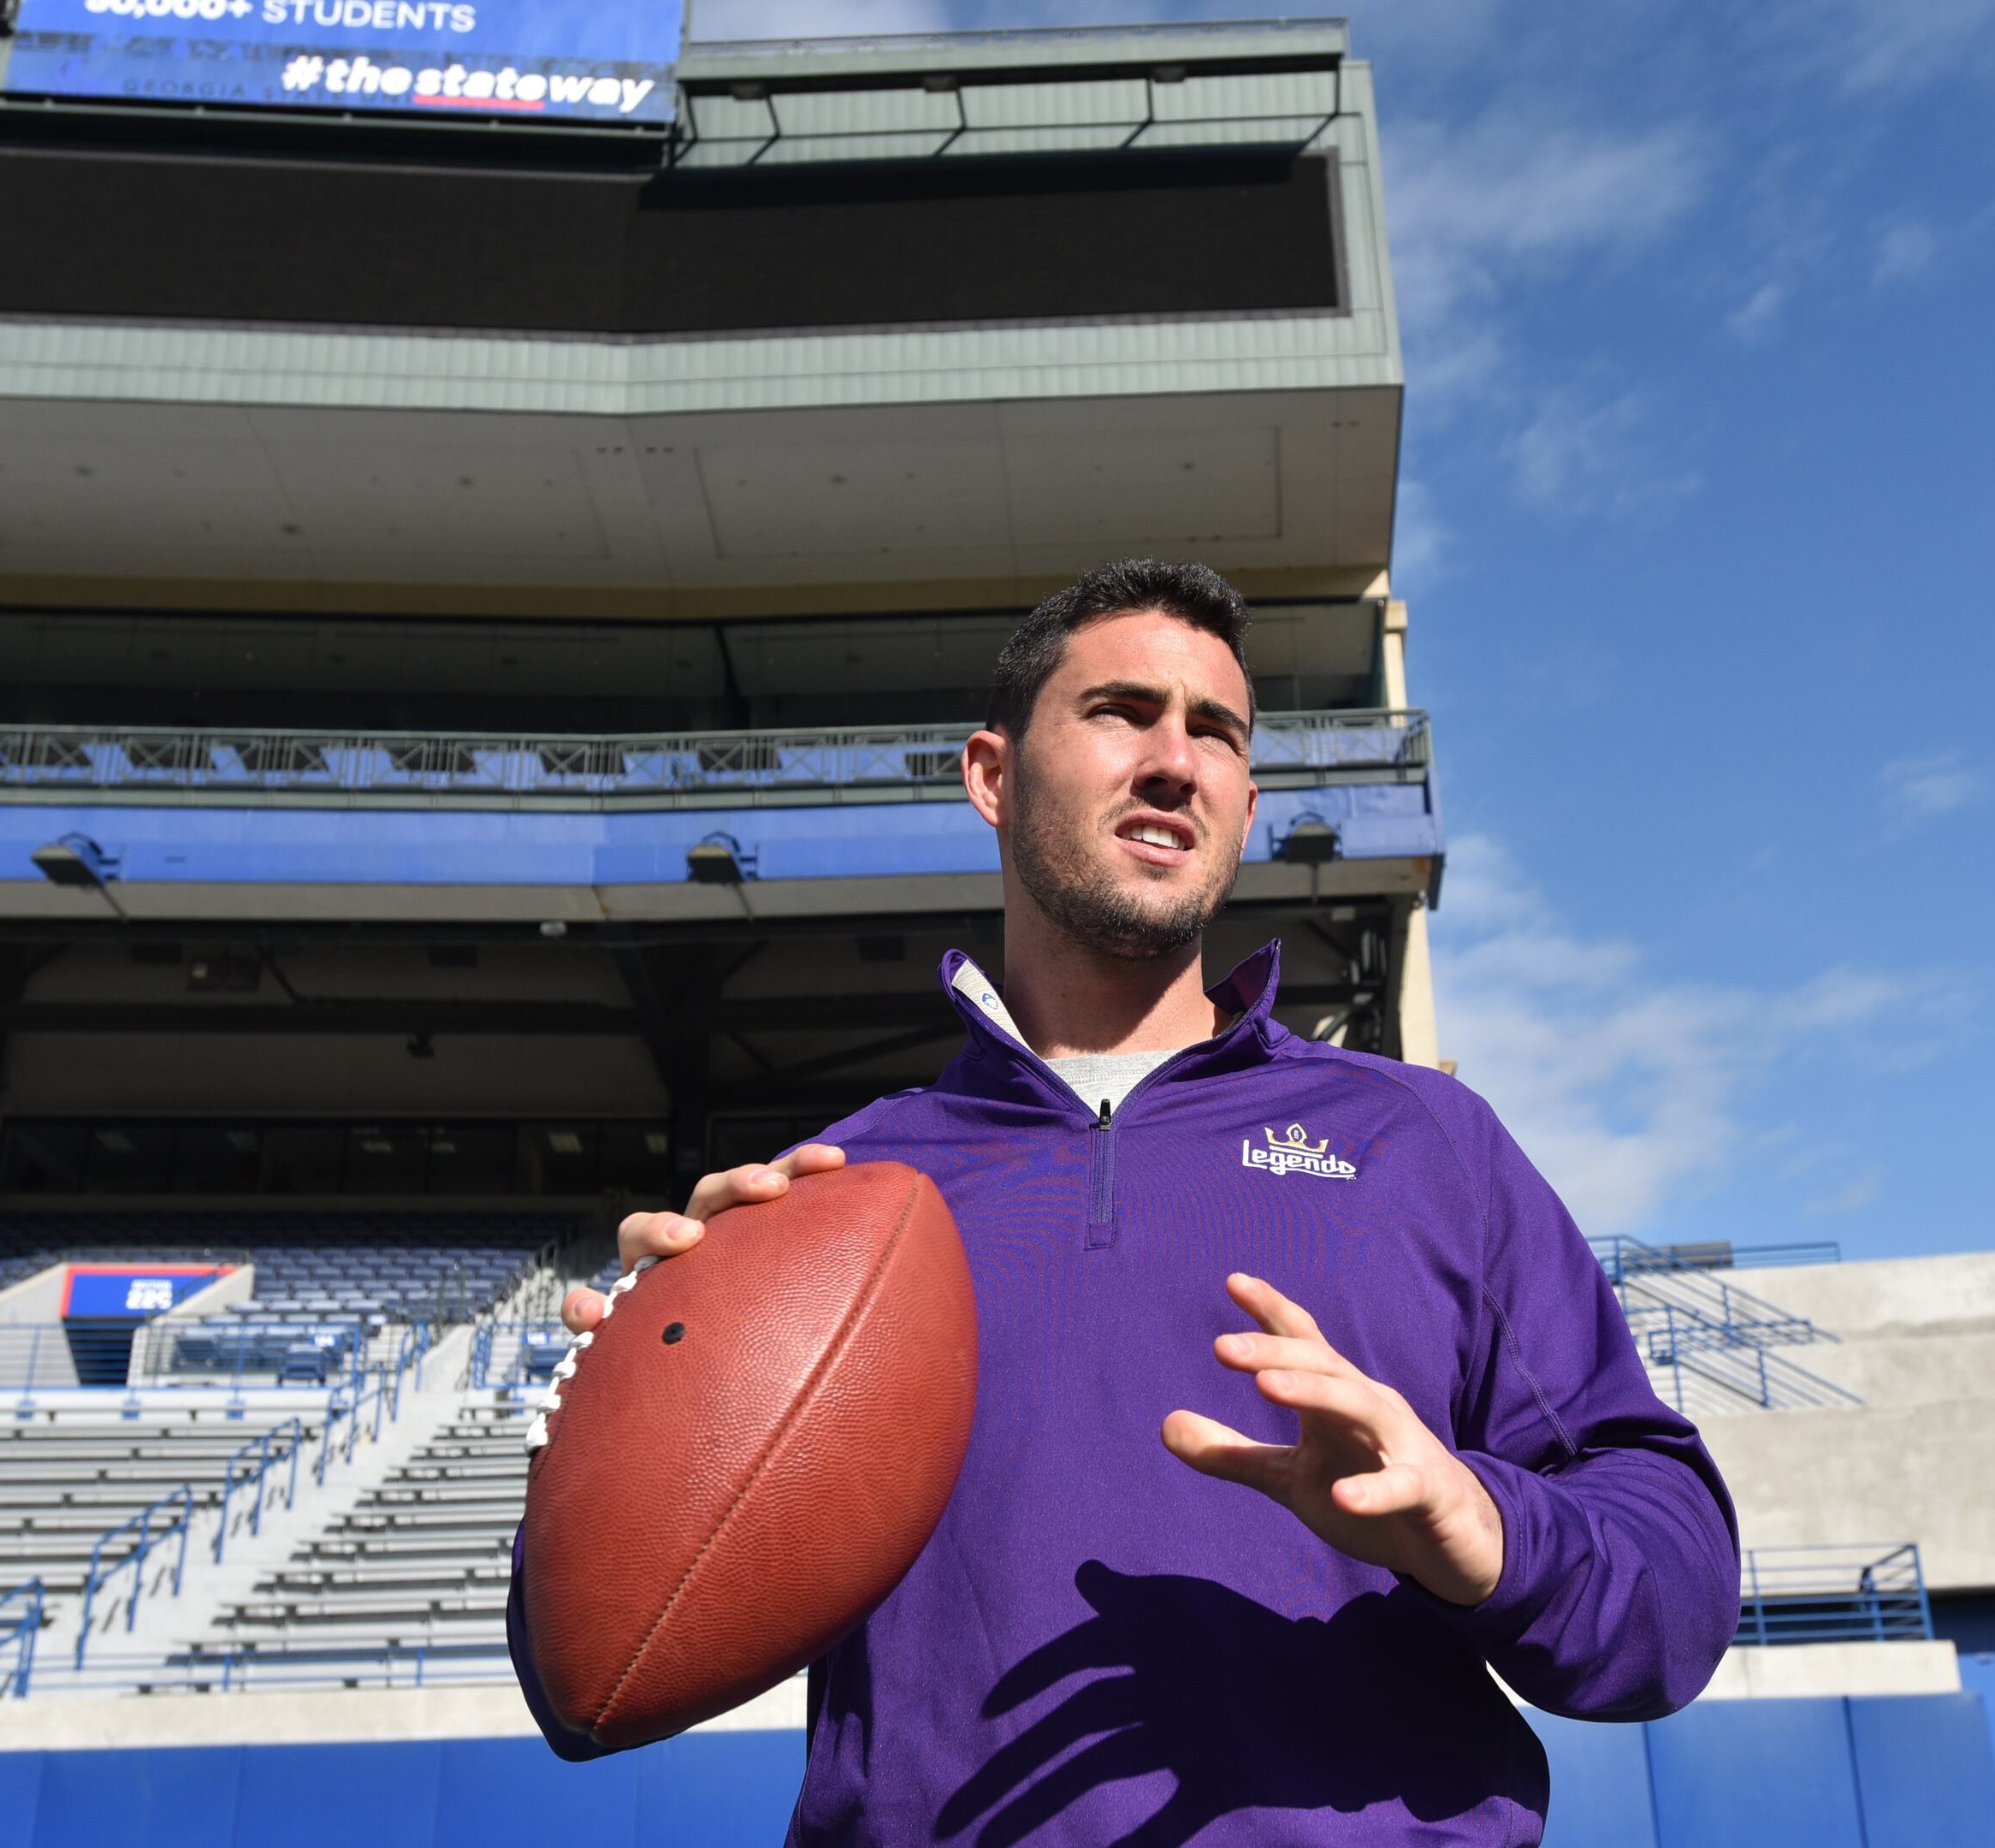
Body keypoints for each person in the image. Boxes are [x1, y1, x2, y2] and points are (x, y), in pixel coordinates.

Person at [510, 559, 1740, 1846]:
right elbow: (581, 1680)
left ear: (1246, 799)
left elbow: (1674, 1596)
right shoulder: (834, 1197)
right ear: (993, 775)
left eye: (1216, 733)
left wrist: (1481, 1527)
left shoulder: (1425, 1143)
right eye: (1122, 713)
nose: (1176, 761)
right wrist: (638, 1408)